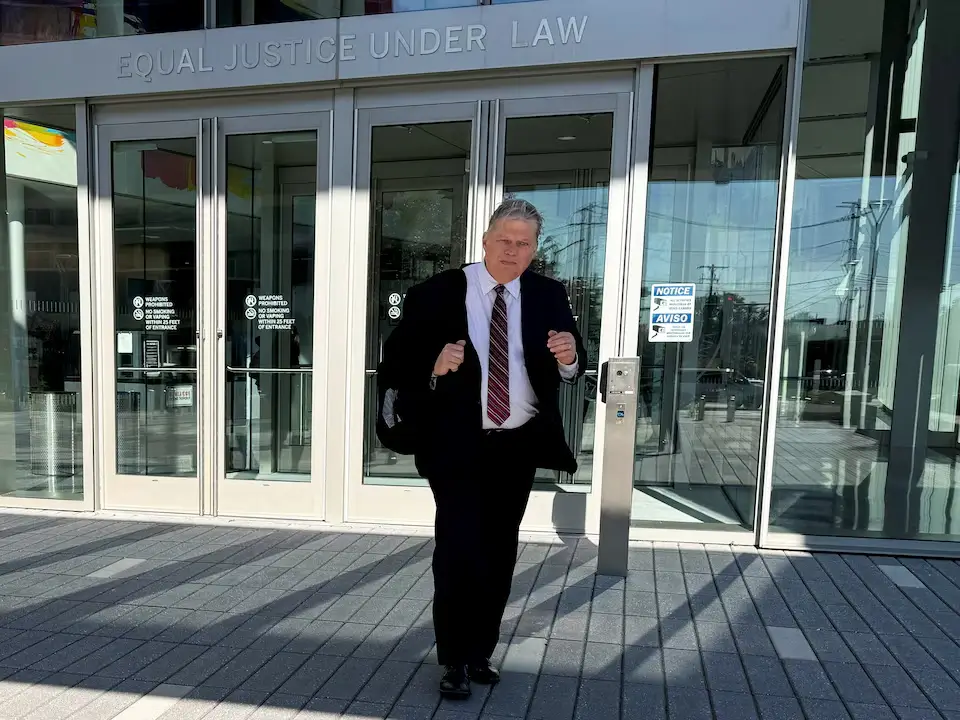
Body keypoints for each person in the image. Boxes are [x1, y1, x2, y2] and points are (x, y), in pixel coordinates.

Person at [384, 198, 586, 699]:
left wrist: (570, 358)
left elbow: (573, 361)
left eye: (524, 243)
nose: (513, 251)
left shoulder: (548, 294)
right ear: (485, 241)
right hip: (456, 445)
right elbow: (397, 363)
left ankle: (480, 653)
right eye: (505, 241)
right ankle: (451, 659)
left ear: (534, 249)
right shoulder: (437, 293)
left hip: (516, 445)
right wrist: (434, 366)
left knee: (498, 553)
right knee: (457, 551)